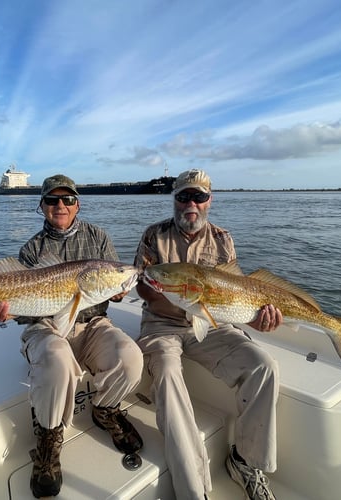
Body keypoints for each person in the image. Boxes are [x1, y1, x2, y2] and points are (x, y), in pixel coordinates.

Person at [0, 174, 144, 498]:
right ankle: (49, 440)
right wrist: (3, 312)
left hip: (92, 324)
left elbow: (106, 286)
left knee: (131, 358)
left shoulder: (98, 238)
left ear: (78, 204)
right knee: (58, 360)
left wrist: (118, 288)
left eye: (67, 199)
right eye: (52, 200)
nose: (60, 205)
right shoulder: (32, 249)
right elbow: (26, 311)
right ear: (42, 206)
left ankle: (105, 409)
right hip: (46, 327)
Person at [134, 169, 283, 500]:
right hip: (162, 325)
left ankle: (245, 461)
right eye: (184, 196)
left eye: (199, 197)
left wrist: (258, 320)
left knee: (264, 365)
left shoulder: (223, 239)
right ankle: (193, 491)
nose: (191, 204)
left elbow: (236, 300)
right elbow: (145, 290)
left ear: (209, 200)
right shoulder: (153, 236)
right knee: (170, 378)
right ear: (174, 199)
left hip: (213, 325)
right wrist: (172, 291)